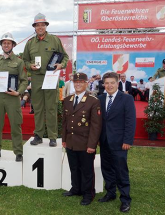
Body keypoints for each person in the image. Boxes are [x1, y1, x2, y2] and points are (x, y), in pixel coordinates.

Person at [23, 13, 69, 146]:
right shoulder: (30, 43)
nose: (40, 27)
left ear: (46, 26)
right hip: (36, 78)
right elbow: (25, 60)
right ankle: (38, 135)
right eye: (37, 25)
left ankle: (52, 136)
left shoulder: (54, 40)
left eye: (42, 25)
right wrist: (29, 66)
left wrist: (61, 65)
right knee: (37, 108)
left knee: (51, 108)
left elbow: (65, 57)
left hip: (51, 77)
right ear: (34, 27)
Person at [61, 72, 102, 206]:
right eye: (76, 82)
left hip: (85, 143)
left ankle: (88, 193)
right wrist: (64, 139)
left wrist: (92, 145)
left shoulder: (93, 101)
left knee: (86, 170)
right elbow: (65, 122)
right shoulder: (67, 100)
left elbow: (96, 126)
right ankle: (76, 188)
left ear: (86, 83)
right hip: (71, 141)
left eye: (81, 82)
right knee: (74, 167)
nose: (78, 84)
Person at [98, 72, 136, 213]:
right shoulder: (100, 98)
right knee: (106, 169)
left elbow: (130, 122)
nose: (109, 85)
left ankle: (125, 199)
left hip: (120, 143)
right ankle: (110, 193)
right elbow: (99, 122)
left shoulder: (127, 98)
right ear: (104, 84)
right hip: (104, 141)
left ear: (117, 82)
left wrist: (127, 140)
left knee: (121, 171)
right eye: (106, 83)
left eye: (112, 82)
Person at [0, 32, 27, 162]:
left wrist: (19, 93)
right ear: (1, 45)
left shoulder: (19, 61)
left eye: (8, 43)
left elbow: (24, 80)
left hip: (12, 97)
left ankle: (18, 152)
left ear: (13, 45)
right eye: (4, 43)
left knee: (15, 125)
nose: (6, 45)